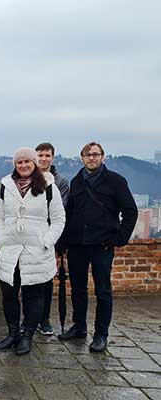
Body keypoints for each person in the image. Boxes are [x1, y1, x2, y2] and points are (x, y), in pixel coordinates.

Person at [59, 142, 138, 352]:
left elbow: (130, 212)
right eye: (88, 154)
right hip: (77, 244)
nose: (91, 158)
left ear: (103, 157)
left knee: (103, 290)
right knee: (77, 288)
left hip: (102, 244)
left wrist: (119, 238)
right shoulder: (76, 181)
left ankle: (101, 334)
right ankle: (79, 327)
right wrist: (64, 241)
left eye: (96, 154)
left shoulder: (115, 181)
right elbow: (69, 214)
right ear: (82, 157)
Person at [0, 148, 65, 355]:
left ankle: (27, 336)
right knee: (9, 294)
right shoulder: (5, 187)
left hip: (37, 251)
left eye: (27, 162)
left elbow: (59, 219)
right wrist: (0, 240)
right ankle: (13, 333)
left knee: (34, 296)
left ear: (34, 163)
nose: (23, 165)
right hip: (10, 251)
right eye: (19, 162)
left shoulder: (49, 186)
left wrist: (47, 241)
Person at [28, 142, 70, 336]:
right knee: (28, 280)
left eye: (47, 155)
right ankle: (29, 319)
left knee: (45, 280)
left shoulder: (60, 182)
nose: (43, 159)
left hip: (47, 238)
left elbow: (60, 211)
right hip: (28, 238)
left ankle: (43, 319)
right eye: (40, 155)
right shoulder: (26, 178)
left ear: (52, 158)